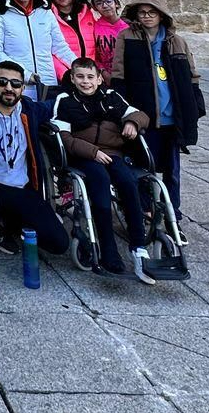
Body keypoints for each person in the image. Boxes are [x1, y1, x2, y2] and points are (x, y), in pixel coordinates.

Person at [50, 57, 153, 283]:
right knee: (100, 181)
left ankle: (138, 247)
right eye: (80, 77)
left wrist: (132, 123)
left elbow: (141, 115)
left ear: (99, 79)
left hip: (113, 153)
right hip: (83, 155)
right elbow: (64, 138)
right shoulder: (64, 100)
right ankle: (108, 248)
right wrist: (92, 152)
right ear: (72, 78)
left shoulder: (111, 97)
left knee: (128, 182)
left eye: (90, 77)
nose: (85, 82)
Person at [112, 0, 204, 229]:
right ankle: (144, 209)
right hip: (143, 115)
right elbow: (118, 74)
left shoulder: (177, 41)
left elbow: (191, 75)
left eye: (152, 12)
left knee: (172, 170)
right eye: (142, 12)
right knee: (142, 165)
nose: (147, 16)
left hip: (172, 116)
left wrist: (195, 106)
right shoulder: (126, 37)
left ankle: (173, 213)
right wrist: (124, 111)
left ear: (161, 15)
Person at [0, 60, 69, 257]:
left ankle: (9, 222)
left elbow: (57, 105)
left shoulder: (28, 109)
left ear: (22, 88)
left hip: (21, 187)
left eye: (15, 84)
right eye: (2, 82)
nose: (9, 88)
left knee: (59, 243)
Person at [0, 0, 74, 101]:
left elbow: (60, 46)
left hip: (48, 83)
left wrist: (78, 67)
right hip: (17, 85)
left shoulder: (46, 13)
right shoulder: (0, 16)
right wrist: (24, 74)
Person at [44, 0, 97, 79]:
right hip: (65, 76)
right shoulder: (47, 16)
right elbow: (50, 50)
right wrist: (66, 75)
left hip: (91, 75)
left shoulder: (89, 13)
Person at [90, 0, 129, 78]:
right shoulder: (93, 28)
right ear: (95, 8)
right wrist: (103, 72)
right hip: (105, 77)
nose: (105, 5)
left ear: (116, 3)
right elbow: (93, 55)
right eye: (99, 3)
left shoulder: (129, 27)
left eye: (108, 1)